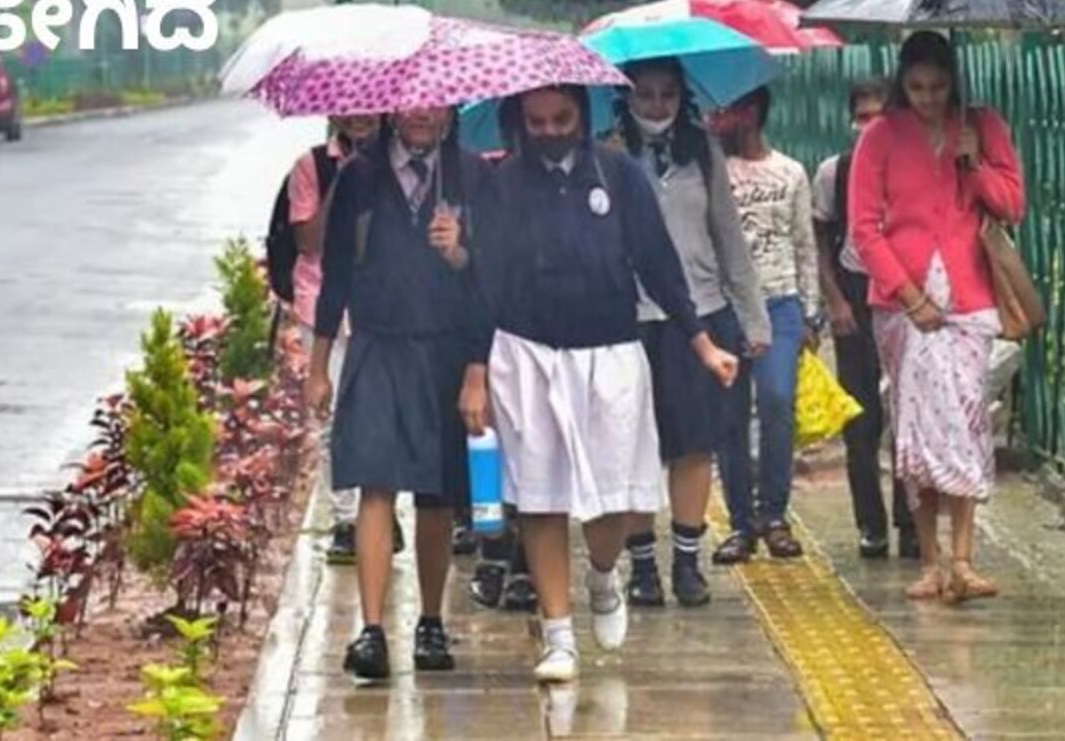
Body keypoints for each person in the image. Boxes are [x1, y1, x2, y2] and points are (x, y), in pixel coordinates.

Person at [461, 84, 740, 683]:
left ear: (581, 117)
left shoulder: (619, 176)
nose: (549, 130)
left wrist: (703, 344)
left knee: (612, 499)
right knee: (540, 499)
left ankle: (604, 575)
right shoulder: (502, 185)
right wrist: (475, 372)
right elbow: (483, 283)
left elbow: (660, 267)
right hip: (527, 353)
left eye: (560, 118)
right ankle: (559, 634)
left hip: (610, 352)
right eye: (536, 121)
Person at [305, 105, 491, 681]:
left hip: (446, 351)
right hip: (378, 347)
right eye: (410, 104)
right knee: (375, 485)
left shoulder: (472, 174)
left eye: (433, 105)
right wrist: (319, 366)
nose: (420, 115)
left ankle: (430, 621)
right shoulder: (360, 175)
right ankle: (372, 629)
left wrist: (460, 252)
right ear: (392, 108)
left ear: (449, 110)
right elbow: (335, 274)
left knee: (436, 497)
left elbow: (492, 279)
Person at [848, 30, 1025, 602]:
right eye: (917, 87)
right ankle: (929, 559)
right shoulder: (880, 137)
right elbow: (864, 228)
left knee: (967, 421)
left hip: (970, 300)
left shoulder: (983, 126)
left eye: (938, 86)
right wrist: (909, 295)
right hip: (905, 309)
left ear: (953, 82)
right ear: (903, 84)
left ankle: (965, 557)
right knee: (917, 428)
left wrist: (974, 165)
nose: (928, 97)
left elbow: (1013, 205)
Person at [605, 59, 770, 608]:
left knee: (695, 444)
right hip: (628, 318)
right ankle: (643, 565)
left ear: (683, 97)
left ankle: (687, 561)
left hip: (699, 315)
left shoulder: (703, 151)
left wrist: (753, 319)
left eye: (667, 95)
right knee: (634, 447)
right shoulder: (608, 154)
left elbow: (728, 237)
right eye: (645, 95)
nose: (656, 106)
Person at [284, 114, 403, 565]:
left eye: (370, 106)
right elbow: (310, 240)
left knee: (383, 412)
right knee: (335, 416)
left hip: (382, 306)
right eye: (349, 106)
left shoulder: (401, 163)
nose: (360, 114)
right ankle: (346, 519)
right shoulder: (312, 166)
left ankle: (379, 505)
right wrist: (345, 181)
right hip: (323, 303)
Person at [711, 86, 823, 563]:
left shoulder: (791, 172)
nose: (720, 120)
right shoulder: (711, 171)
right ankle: (740, 521)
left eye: (729, 109)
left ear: (751, 111)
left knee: (778, 401)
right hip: (724, 304)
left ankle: (774, 512)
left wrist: (810, 310)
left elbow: (803, 242)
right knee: (729, 416)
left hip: (780, 302)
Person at [812, 80, 917, 561]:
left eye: (880, 116)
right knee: (861, 419)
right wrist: (834, 301)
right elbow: (821, 241)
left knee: (909, 414)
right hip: (855, 294)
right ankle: (870, 524)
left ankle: (911, 520)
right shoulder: (835, 173)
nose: (870, 126)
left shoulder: (914, 168)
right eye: (862, 117)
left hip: (905, 295)